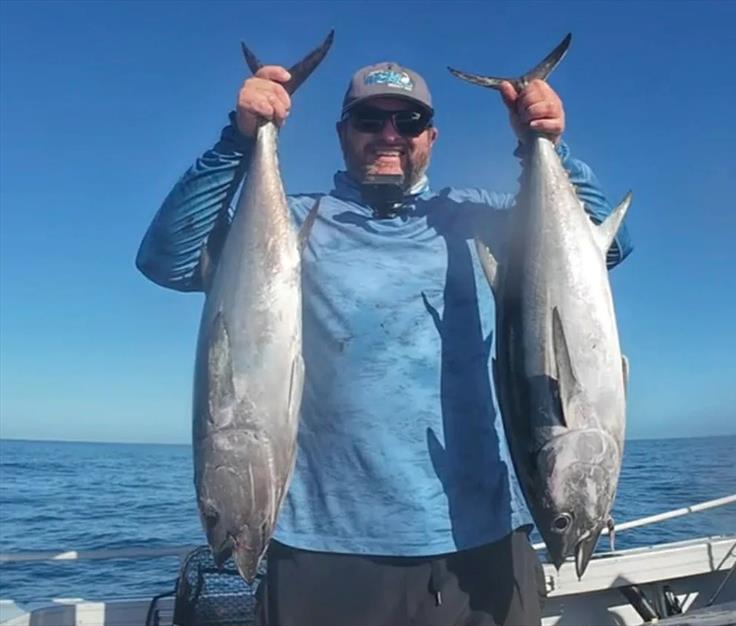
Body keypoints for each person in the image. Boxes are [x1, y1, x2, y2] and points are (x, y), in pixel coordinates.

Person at [137, 54, 633, 626]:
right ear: (342, 132)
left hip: (480, 537)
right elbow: (169, 259)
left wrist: (547, 144)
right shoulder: (292, 222)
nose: (390, 135)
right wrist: (240, 139)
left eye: (409, 121)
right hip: (322, 547)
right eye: (369, 120)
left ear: (431, 136)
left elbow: (604, 251)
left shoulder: (482, 219)